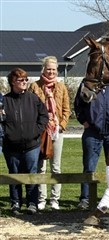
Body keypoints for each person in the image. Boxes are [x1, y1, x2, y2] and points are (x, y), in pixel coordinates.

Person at [3, 68, 49, 215]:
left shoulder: (33, 98)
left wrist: (36, 131)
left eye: (26, 79)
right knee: (14, 174)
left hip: (32, 145)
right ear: (13, 82)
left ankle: (32, 203)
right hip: (11, 146)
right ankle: (15, 203)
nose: (24, 82)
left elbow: (44, 116)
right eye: (21, 80)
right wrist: (7, 134)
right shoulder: (5, 100)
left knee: (31, 173)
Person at [29, 56, 71, 211]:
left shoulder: (61, 87)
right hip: (41, 131)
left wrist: (62, 125)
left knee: (56, 167)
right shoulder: (34, 86)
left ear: (57, 71)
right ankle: (41, 198)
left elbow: (66, 109)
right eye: (48, 69)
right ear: (43, 69)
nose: (51, 72)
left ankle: (55, 199)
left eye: (53, 69)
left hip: (57, 131)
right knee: (41, 166)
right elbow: (30, 108)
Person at [74, 82, 109, 210]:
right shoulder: (87, 84)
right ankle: (85, 199)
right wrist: (84, 122)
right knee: (89, 166)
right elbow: (78, 105)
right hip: (92, 132)